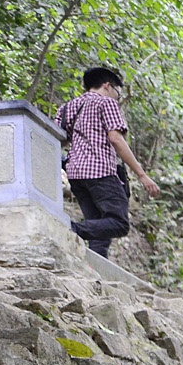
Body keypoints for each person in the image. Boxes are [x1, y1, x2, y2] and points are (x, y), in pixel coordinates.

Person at [55, 66, 159, 257]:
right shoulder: (107, 103)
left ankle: (96, 271)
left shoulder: (67, 108)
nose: (117, 98)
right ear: (107, 86)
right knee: (119, 223)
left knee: (99, 229)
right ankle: (68, 228)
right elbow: (116, 139)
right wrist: (142, 175)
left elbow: (57, 140)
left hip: (76, 176)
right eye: (118, 93)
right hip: (100, 171)